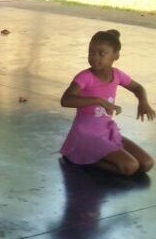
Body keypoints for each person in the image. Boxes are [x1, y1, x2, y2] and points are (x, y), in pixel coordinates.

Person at [59, 29, 154, 176]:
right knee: (130, 167)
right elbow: (66, 100)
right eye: (91, 52)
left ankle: (89, 154)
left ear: (116, 56)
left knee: (147, 163)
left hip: (107, 131)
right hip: (86, 135)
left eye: (101, 53)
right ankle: (81, 153)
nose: (94, 57)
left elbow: (137, 87)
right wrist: (98, 101)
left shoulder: (117, 75)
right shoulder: (85, 77)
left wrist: (143, 102)